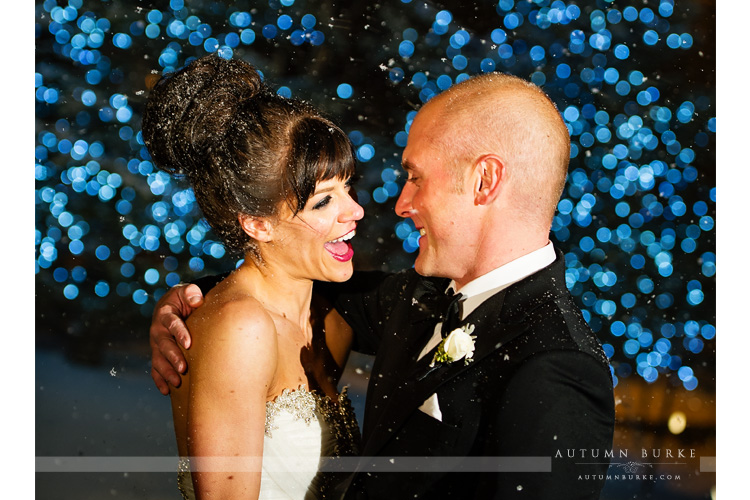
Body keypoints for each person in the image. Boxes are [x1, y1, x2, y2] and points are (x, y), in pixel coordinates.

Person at [150, 72, 615, 499]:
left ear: (484, 180)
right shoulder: (412, 300)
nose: (397, 204)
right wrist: (195, 301)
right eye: (325, 199)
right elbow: (271, 286)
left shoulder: (556, 366)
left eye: (415, 178)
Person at [141, 54, 364, 500]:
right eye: (323, 202)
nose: (355, 211)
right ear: (257, 224)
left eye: (348, 187)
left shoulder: (329, 316)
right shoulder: (242, 329)